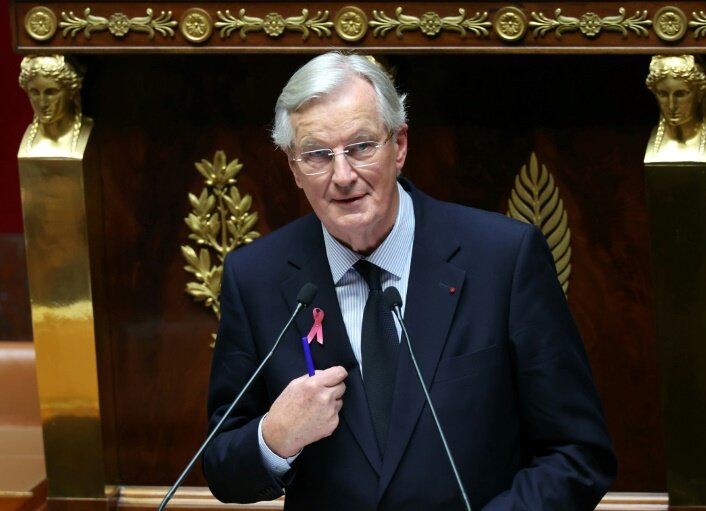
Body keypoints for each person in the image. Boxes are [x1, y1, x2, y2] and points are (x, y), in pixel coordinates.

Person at [203, 52, 616, 510]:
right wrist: (275, 437)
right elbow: (222, 469)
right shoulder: (256, 276)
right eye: (318, 155)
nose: (343, 176)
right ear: (294, 168)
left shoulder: (504, 259)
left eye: (361, 146)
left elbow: (578, 453)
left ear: (399, 145)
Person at [645, 55, 706, 161]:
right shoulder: (641, 141)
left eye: (681, 94)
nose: (671, 106)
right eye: (663, 94)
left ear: (700, 93)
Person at [18, 54, 90, 158]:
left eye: (51, 92)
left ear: (71, 92)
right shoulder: (29, 143)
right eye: (35, 93)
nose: (42, 103)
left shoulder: (86, 131)